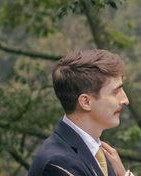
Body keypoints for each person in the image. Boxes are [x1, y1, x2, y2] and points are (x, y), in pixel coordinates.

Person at [27, 48, 131, 176]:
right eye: (115, 92)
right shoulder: (59, 164)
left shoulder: (100, 155)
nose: (125, 100)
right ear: (86, 102)